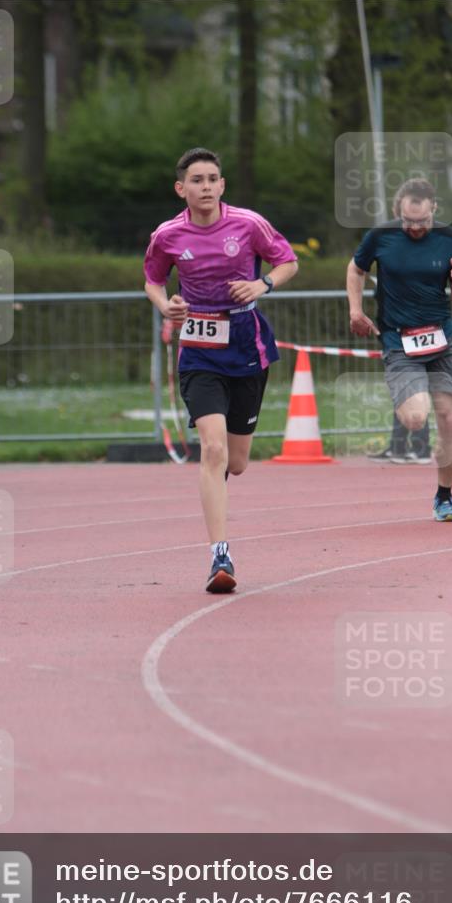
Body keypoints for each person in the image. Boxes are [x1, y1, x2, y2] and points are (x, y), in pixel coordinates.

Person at [144, 147, 298, 592]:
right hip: (198, 350)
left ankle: (220, 485)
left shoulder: (248, 224)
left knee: (236, 461)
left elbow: (288, 261)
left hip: (246, 347)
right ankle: (220, 557)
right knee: (211, 450)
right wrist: (165, 305)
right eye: (197, 180)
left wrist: (261, 283)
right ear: (182, 189)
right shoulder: (168, 235)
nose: (206, 186)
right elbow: (153, 280)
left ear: (222, 185)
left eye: (213, 178)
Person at [346, 178, 452, 520]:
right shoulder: (380, 237)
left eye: (422, 221)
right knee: (416, 419)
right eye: (408, 221)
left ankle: (444, 497)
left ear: (433, 209)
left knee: (448, 417)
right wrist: (355, 310)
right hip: (398, 339)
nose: (415, 227)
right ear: (397, 212)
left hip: (442, 338)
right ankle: (412, 391)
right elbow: (356, 269)